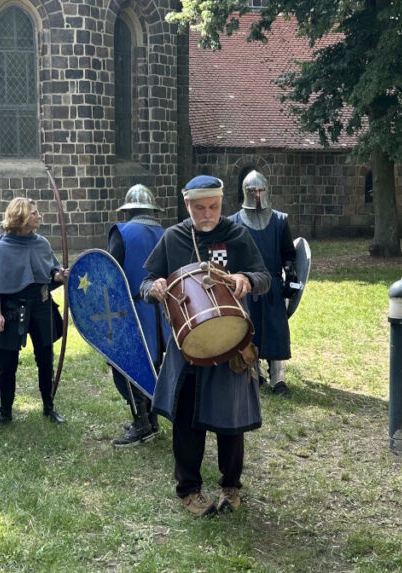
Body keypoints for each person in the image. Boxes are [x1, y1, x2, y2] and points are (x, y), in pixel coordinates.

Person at [142, 175, 271, 517]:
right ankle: (189, 490)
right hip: (189, 345)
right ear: (187, 206)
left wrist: (246, 279)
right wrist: (152, 287)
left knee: (231, 419)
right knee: (187, 419)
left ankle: (231, 486)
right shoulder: (175, 237)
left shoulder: (236, 234)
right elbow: (146, 280)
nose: (207, 214)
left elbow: (263, 277)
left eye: (213, 206)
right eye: (199, 208)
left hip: (230, 342)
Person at [0, 197, 68, 432]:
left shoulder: (42, 244)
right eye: (34, 213)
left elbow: (49, 272)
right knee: (7, 364)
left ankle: (49, 407)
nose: (39, 217)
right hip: (11, 309)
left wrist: (57, 276)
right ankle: (5, 413)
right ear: (22, 217)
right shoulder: (3, 247)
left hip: (41, 307)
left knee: (45, 358)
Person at [106, 184, 170, 447]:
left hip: (132, 310)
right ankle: (151, 420)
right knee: (153, 366)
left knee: (127, 367)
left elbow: (110, 274)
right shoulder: (166, 233)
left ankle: (142, 424)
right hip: (162, 314)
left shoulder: (123, 232)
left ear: (129, 209)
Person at [230, 170, 298, 396]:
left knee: (276, 329)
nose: (257, 195)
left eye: (260, 190)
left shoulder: (280, 220)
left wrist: (291, 273)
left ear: (267, 191)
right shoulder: (234, 222)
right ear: (245, 192)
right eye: (252, 191)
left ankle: (278, 379)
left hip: (273, 286)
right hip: (247, 285)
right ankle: (253, 372)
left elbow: (288, 252)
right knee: (250, 329)